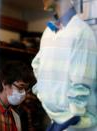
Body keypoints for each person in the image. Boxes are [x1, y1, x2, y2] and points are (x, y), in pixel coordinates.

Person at [31, 0, 97, 131]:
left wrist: (73, 116)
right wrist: (43, 96)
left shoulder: (81, 32)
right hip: (57, 120)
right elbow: (38, 66)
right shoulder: (49, 32)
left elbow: (82, 81)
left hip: (77, 125)